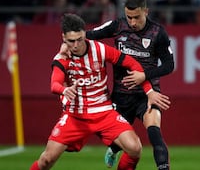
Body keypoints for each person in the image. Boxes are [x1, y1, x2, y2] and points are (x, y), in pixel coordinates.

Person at [29, 13, 171, 170]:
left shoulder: (100, 50)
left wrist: (149, 91)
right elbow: (54, 84)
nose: (75, 45)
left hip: (104, 113)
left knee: (135, 148)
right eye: (71, 41)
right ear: (63, 38)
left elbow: (133, 64)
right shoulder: (62, 58)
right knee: (46, 160)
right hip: (75, 116)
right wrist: (64, 89)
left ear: (85, 34)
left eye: (79, 39)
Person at [60, 0, 174, 169]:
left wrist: (144, 76)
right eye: (129, 17)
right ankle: (113, 149)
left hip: (148, 94)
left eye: (137, 17)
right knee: (117, 140)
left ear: (146, 12)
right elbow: (88, 35)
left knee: (154, 133)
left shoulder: (158, 33)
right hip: (121, 95)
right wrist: (66, 44)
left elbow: (169, 65)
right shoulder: (118, 25)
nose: (133, 22)